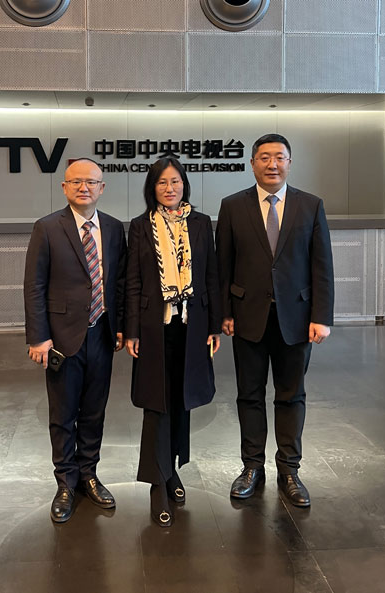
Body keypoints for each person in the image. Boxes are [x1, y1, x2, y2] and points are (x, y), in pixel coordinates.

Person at [216, 133, 334, 508]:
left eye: (279, 157)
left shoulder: (310, 205)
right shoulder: (232, 206)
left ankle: (289, 470)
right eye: (264, 157)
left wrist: (321, 316)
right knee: (249, 395)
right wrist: (224, 312)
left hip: (296, 319)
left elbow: (322, 266)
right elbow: (223, 266)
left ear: (289, 163)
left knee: (291, 395)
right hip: (247, 317)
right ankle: (252, 467)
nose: (272, 164)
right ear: (252, 163)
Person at [24, 158, 127, 523]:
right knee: (63, 414)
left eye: (91, 182)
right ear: (64, 187)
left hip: (102, 334)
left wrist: (121, 326)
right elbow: (34, 285)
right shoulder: (48, 227)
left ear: (102, 188)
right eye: (76, 182)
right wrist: (39, 337)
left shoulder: (113, 228)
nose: (84, 187)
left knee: (95, 412)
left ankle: (89, 475)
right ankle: (66, 482)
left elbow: (119, 283)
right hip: (62, 339)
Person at [125, 157, 221, 527]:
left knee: (182, 401)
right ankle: (157, 483)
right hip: (154, 327)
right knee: (157, 404)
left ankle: (172, 470)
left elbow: (210, 275)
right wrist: (132, 330)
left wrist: (213, 326)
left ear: (185, 185)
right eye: (162, 182)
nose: (170, 188)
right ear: (152, 188)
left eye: (176, 181)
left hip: (192, 327)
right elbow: (133, 281)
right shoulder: (140, 226)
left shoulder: (201, 223)